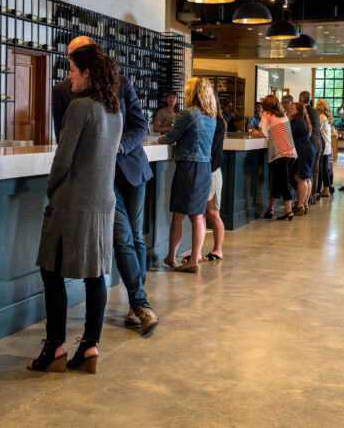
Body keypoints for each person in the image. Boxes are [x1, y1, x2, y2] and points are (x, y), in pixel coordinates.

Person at [51, 36, 158, 336]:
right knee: (122, 238)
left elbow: (140, 124)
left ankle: (135, 304)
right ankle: (141, 304)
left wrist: (119, 145)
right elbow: (65, 139)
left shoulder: (122, 82)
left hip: (133, 169)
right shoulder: (63, 91)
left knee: (136, 238)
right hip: (100, 178)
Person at [28, 43, 123, 374]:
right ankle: (89, 346)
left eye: (72, 70)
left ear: (87, 72)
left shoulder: (81, 108)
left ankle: (54, 347)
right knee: (95, 276)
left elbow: (62, 159)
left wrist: (52, 190)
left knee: (51, 271)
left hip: (72, 203)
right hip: (102, 203)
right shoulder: (115, 111)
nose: (69, 78)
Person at [158, 77, 217, 272]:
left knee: (179, 214)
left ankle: (173, 256)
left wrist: (160, 138)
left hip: (188, 168)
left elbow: (170, 138)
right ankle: (193, 258)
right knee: (198, 216)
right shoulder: (211, 116)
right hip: (204, 168)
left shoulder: (188, 114)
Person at [251, 95, 297, 220]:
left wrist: (254, 133)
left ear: (266, 105)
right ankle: (270, 210)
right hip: (291, 152)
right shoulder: (283, 115)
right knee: (278, 181)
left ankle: (288, 211)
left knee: (283, 182)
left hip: (279, 153)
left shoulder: (266, 115)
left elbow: (263, 134)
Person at [203, 98, 226, 262]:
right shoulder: (213, 120)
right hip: (208, 171)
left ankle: (218, 249)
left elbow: (210, 147)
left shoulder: (217, 121)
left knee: (212, 212)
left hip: (212, 171)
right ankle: (199, 250)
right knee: (202, 214)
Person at [287, 102, 316, 216]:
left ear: (298, 111)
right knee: (306, 178)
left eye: (292, 108)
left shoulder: (296, 122)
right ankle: (304, 204)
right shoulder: (303, 121)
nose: (290, 109)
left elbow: (287, 135)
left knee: (300, 178)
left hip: (302, 150)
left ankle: (299, 207)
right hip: (308, 149)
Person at [299, 91, 323, 203]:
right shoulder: (316, 111)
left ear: (300, 99)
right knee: (315, 170)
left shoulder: (303, 111)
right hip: (319, 142)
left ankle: (306, 198)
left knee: (307, 171)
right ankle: (313, 194)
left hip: (310, 143)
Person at [316, 98, 334, 197]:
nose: (316, 106)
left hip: (323, 145)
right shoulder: (326, 117)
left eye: (319, 105)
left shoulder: (322, 117)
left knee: (322, 168)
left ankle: (325, 189)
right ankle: (327, 187)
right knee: (325, 167)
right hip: (327, 144)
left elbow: (316, 129)